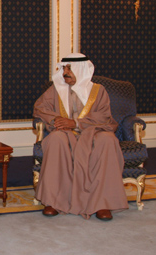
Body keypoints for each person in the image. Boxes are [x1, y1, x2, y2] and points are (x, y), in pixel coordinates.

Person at [33, 53, 128, 221]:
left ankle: (102, 203)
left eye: (69, 68)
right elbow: (40, 108)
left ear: (81, 69)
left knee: (108, 140)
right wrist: (56, 120)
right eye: (64, 68)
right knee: (56, 140)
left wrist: (76, 123)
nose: (65, 73)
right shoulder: (56, 89)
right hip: (65, 133)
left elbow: (104, 117)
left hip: (93, 132)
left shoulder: (98, 91)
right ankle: (54, 200)